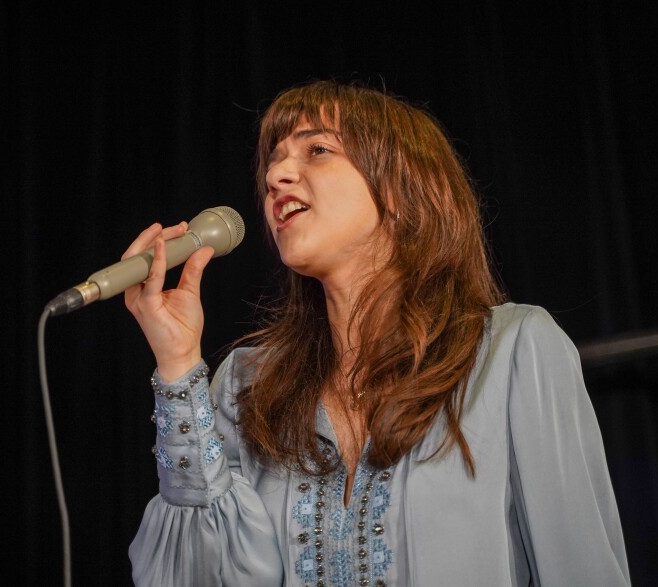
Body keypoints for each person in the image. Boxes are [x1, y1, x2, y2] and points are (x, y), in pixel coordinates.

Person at [124, 81, 630, 586]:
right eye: (271, 165)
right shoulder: (248, 385)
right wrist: (178, 362)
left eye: (318, 150)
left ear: (397, 188)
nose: (275, 176)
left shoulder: (515, 351)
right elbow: (199, 574)